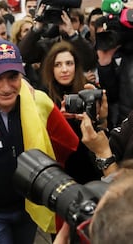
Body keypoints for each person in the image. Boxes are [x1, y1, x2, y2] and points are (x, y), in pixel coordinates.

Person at [0, 38, 79, 243]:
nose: (5, 87)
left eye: (12, 77)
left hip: (29, 208)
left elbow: (67, 145)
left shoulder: (37, 105)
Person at [41, 41, 102, 184]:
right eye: (58, 64)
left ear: (76, 66)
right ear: (51, 68)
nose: (64, 70)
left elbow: (103, 129)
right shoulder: (44, 96)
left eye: (69, 63)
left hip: (89, 163)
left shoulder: (88, 89)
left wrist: (98, 117)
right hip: (59, 167)